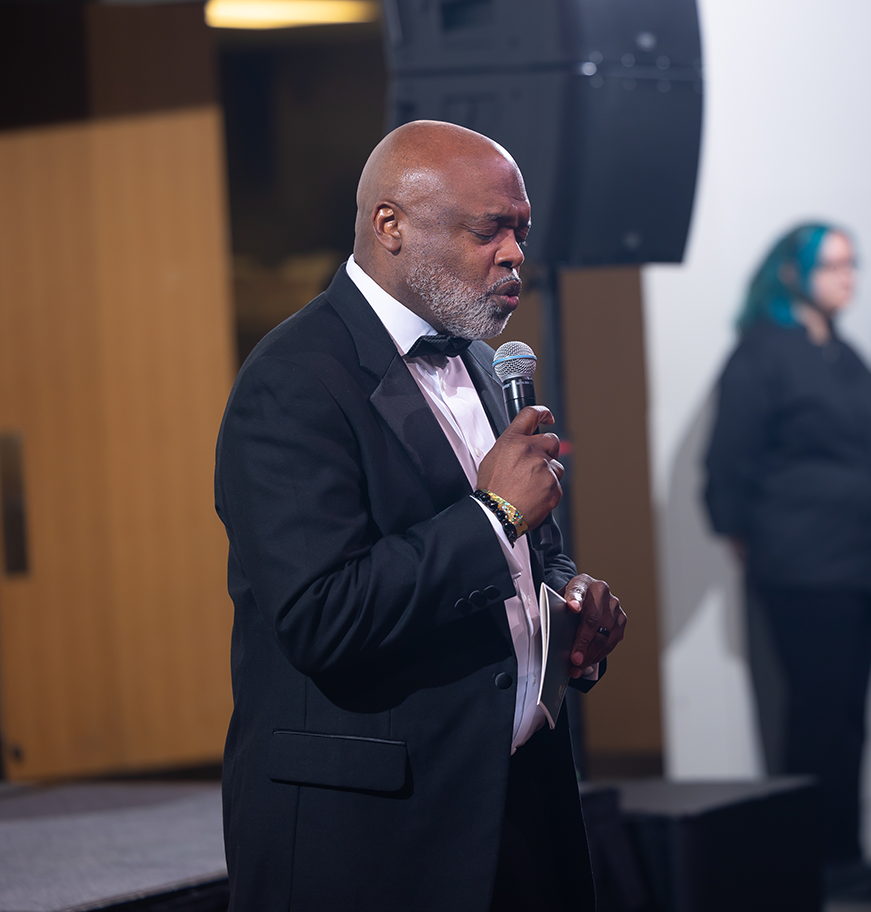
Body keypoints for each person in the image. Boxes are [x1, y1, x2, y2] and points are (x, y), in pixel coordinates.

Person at [214, 121, 627, 911]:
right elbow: (321, 616)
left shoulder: (484, 362)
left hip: (512, 803)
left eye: (521, 231)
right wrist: (493, 513)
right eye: (488, 230)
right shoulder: (291, 382)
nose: (514, 255)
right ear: (390, 225)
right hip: (374, 837)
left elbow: (530, 555)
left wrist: (568, 609)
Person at [704, 224, 871, 902]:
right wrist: (744, 533)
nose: (849, 277)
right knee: (815, 719)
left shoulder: (846, 354)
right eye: (833, 265)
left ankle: (847, 853)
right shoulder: (762, 353)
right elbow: (728, 461)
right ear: (792, 273)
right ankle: (814, 864)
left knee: (850, 717)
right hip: (803, 566)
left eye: (853, 263)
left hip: (865, 562)